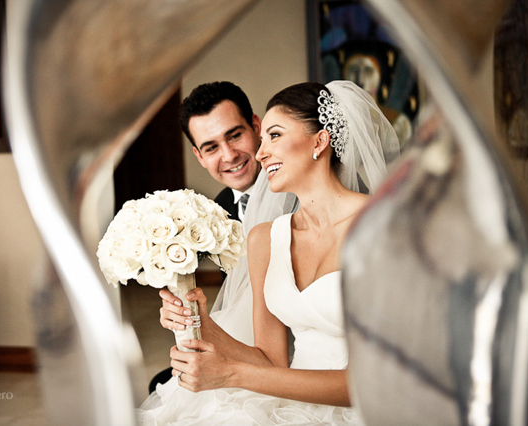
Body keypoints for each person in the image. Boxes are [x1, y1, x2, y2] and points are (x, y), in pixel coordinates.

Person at [138, 80, 400, 425]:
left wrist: (230, 375)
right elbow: (271, 362)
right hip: (292, 401)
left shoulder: (383, 228)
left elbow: (369, 384)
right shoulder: (264, 238)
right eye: (262, 142)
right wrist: (201, 319)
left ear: (319, 141)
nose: (259, 154)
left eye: (274, 136)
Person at [149, 81, 299, 391]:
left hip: (298, 355)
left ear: (256, 126)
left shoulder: (301, 195)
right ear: (199, 156)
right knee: (164, 386)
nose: (229, 155)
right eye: (212, 147)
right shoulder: (216, 211)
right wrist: (185, 315)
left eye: (235, 135)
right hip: (251, 345)